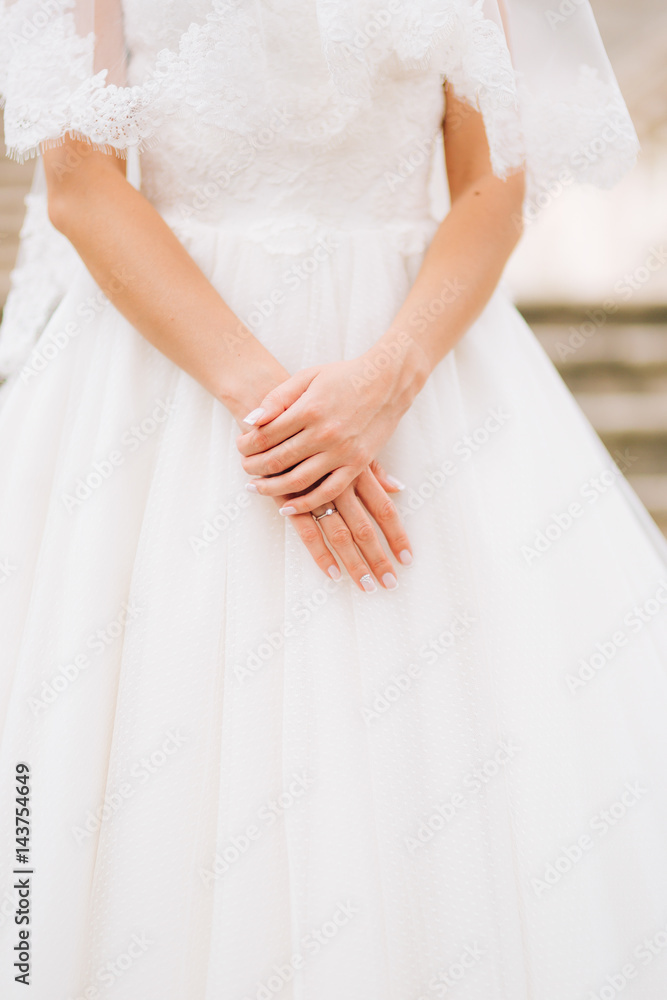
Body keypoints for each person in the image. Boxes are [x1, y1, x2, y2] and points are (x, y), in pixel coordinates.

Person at [1, 1, 666, 997]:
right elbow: (82, 185)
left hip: (416, 374)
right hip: (167, 377)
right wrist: (283, 418)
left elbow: (491, 179)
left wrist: (388, 378)